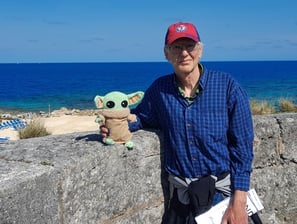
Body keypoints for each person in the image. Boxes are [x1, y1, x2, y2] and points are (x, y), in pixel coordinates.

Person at [101, 22, 254, 224]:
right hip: (182, 200)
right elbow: (141, 117)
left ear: (199, 50)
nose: (184, 53)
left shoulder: (227, 86)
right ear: (167, 54)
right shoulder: (160, 89)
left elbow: (242, 148)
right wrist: (114, 126)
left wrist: (239, 202)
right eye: (176, 47)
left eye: (189, 46)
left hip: (221, 198)